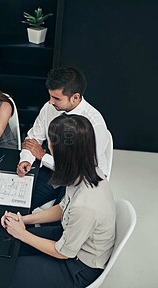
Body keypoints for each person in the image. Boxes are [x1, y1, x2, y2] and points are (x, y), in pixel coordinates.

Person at [2, 114, 115, 288]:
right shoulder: (88, 171)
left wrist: (22, 234)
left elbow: (64, 253)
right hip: (69, 235)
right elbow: (63, 207)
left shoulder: (86, 205)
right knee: (8, 245)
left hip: (78, 266)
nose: (47, 149)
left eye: (51, 147)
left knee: (7, 273)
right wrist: (23, 220)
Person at [17, 66, 110, 210]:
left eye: (56, 98)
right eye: (50, 96)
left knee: (62, 220)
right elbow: (33, 139)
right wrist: (26, 159)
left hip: (82, 178)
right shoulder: (50, 108)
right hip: (53, 169)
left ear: (75, 97)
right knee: (21, 203)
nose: (50, 102)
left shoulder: (94, 124)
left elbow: (80, 168)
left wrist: (42, 156)